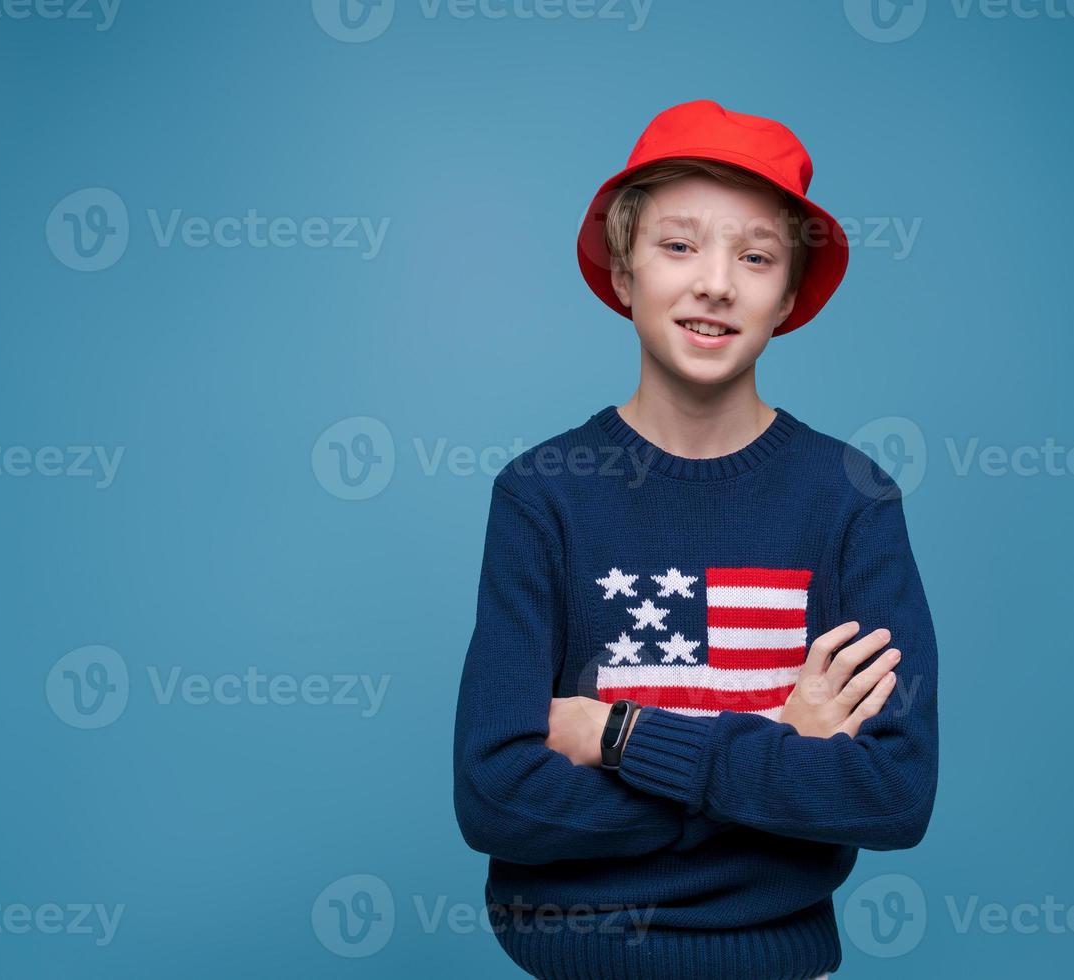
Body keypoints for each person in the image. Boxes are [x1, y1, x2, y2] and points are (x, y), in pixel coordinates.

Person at [453, 99, 939, 980]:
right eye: (679, 246)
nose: (715, 283)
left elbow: (893, 795)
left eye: (755, 257)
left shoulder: (850, 500)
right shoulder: (542, 495)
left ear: (789, 294)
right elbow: (496, 797)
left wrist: (620, 737)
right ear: (624, 271)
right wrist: (776, 749)